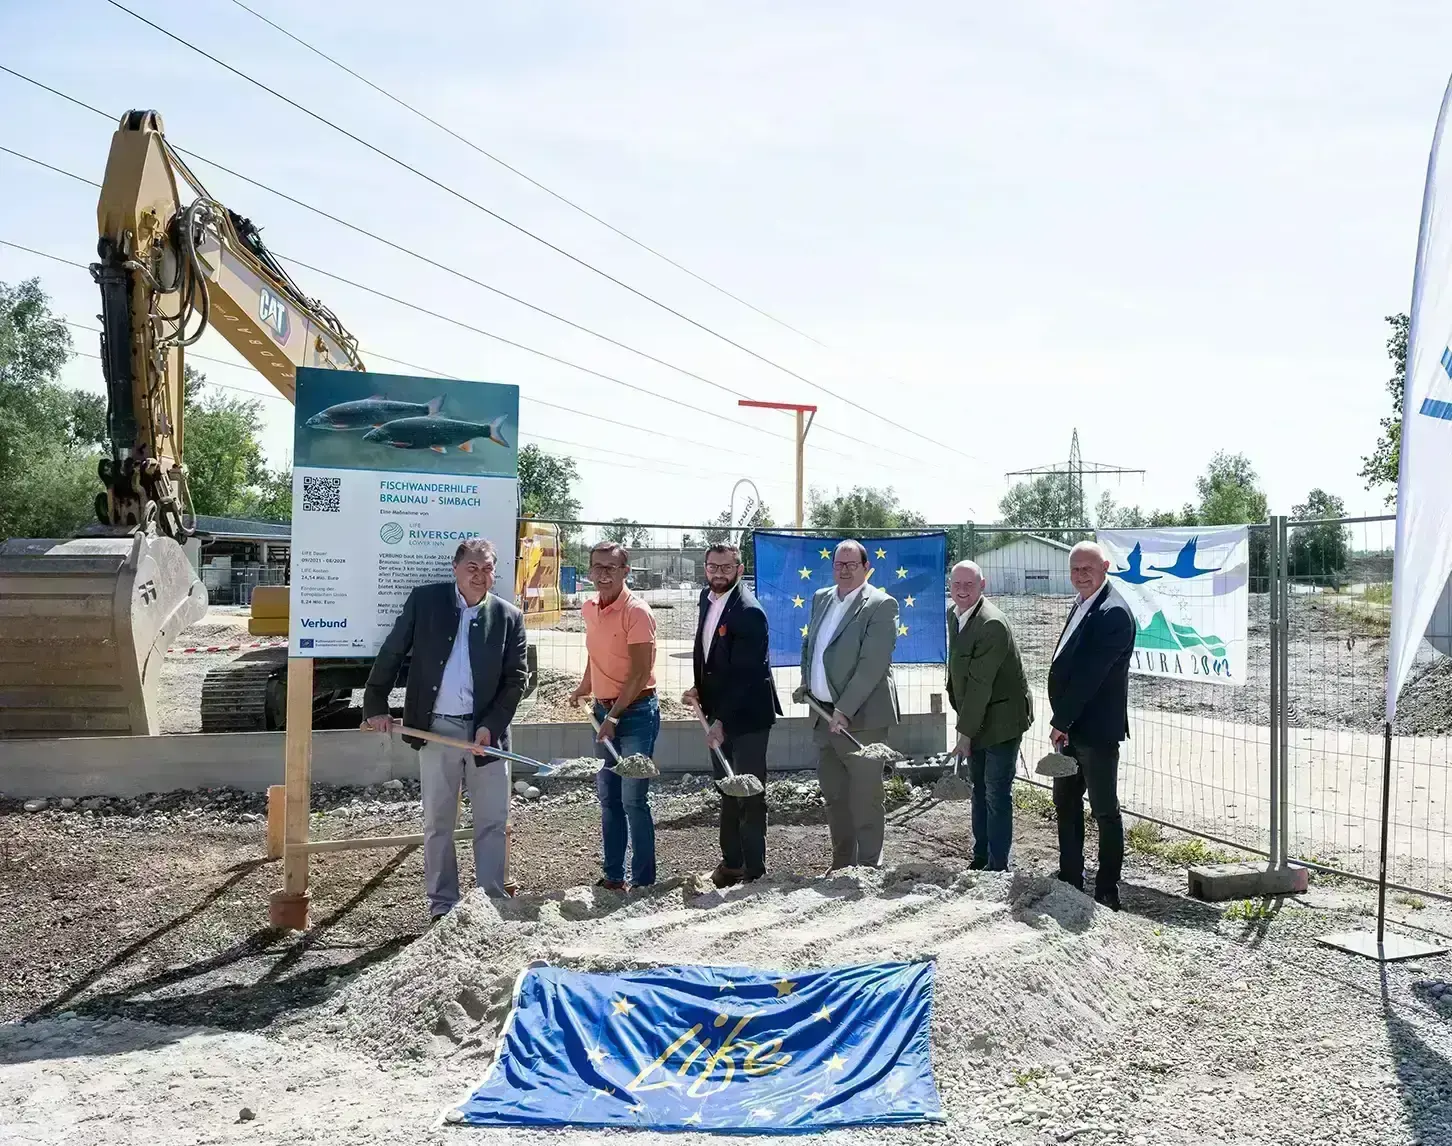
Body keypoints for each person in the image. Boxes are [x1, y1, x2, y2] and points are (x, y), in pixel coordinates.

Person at [362, 538, 527, 919]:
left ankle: (492, 903)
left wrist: (490, 726)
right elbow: (392, 652)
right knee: (438, 822)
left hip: (486, 735)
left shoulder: (508, 617)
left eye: (488, 569)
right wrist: (375, 703)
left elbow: (515, 679)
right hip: (435, 728)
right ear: (455, 568)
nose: (480, 576)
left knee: (492, 822)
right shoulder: (426, 601)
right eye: (473, 568)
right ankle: (442, 906)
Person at [793, 539, 900, 871]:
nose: (844, 570)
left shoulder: (881, 605)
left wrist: (844, 710)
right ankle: (842, 863)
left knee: (865, 797)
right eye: (839, 564)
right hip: (823, 716)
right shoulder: (822, 598)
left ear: (866, 568)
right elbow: (812, 646)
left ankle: (868, 867)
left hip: (861, 719)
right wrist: (808, 684)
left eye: (852, 565)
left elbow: (872, 665)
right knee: (835, 796)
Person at [682, 543, 783, 887]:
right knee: (726, 789)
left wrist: (721, 721)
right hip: (717, 713)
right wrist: (700, 690)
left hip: (749, 716)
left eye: (726, 568)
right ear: (705, 568)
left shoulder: (749, 612)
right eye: (713, 567)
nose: (718, 574)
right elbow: (709, 654)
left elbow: (746, 675)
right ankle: (732, 863)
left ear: (740, 569)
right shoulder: (706, 599)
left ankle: (754, 870)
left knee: (750, 792)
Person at [1048, 540, 1136, 911]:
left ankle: (1107, 888)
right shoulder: (1083, 604)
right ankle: (1070, 875)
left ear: (1105, 567)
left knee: (1104, 810)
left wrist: (1060, 720)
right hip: (1070, 731)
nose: (1080, 575)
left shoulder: (1112, 612)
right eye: (1075, 569)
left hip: (1095, 733)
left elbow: (1090, 677)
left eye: (1087, 568)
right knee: (1065, 803)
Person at [569, 542, 660, 891]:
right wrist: (584, 687)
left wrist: (615, 717)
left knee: (633, 799)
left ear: (626, 571)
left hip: (635, 713)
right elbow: (596, 656)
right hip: (604, 711)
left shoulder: (637, 612)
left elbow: (640, 673)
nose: (603, 573)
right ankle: (613, 876)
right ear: (590, 571)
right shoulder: (590, 608)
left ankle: (643, 881)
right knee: (608, 797)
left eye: (611, 567)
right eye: (597, 567)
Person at [945, 560, 1032, 871]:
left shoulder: (991, 624)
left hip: (1001, 721)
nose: (962, 590)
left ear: (983, 585)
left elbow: (981, 684)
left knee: (995, 792)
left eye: (970, 584)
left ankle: (997, 868)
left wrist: (963, 733)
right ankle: (980, 858)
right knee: (979, 789)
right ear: (950, 586)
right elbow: (958, 669)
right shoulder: (954, 615)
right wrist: (966, 724)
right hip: (975, 716)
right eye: (957, 585)